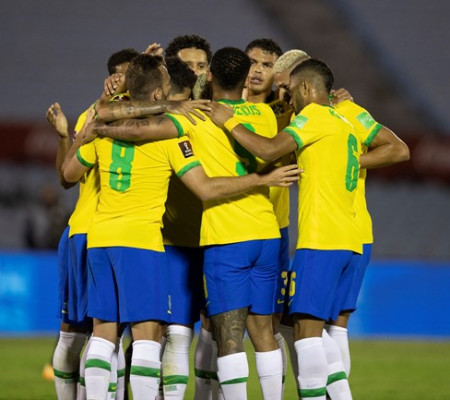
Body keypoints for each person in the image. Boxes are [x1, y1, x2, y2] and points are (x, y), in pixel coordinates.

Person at [62, 53, 299, 400]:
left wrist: (93, 130)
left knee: (104, 333)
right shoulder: (250, 117)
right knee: (153, 336)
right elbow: (206, 186)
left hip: (103, 238)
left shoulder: (113, 129)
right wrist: (261, 178)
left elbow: (69, 173)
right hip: (153, 240)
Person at [207, 58, 363, 400]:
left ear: (306, 87)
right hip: (350, 238)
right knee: (314, 330)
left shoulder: (314, 117)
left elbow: (268, 149)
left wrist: (228, 120)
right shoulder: (344, 121)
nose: (290, 100)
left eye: (291, 92)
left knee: (306, 334)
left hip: (322, 239)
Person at [46, 48, 140, 400]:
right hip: (87, 231)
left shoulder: (143, 113)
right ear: (112, 77)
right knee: (76, 333)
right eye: (125, 73)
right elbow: (66, 177)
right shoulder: (97, 114)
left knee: (112, 334)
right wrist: (63, 138)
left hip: (124, 234)